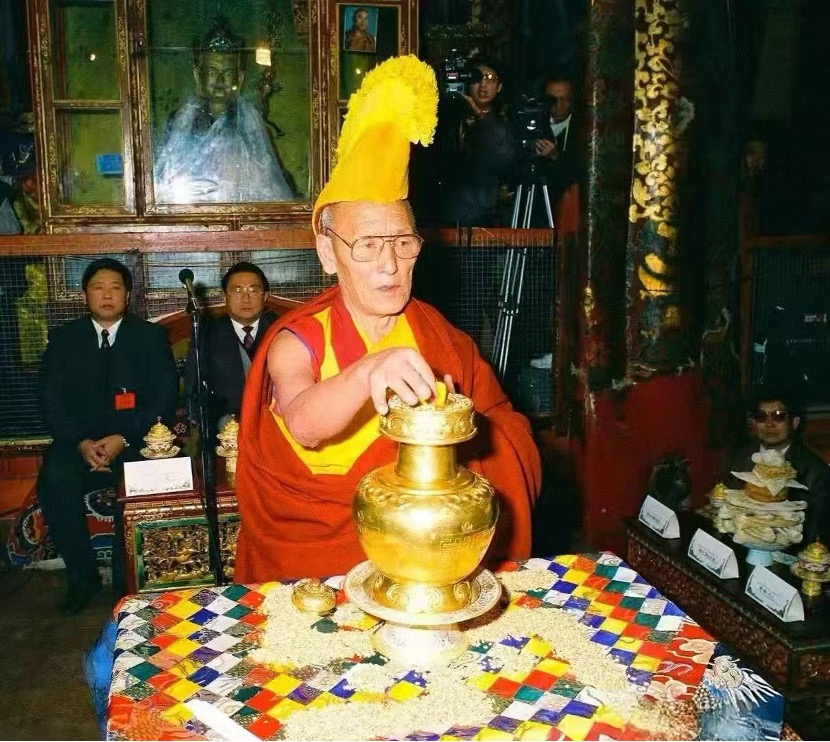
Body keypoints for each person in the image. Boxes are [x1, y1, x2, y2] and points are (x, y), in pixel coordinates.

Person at [234, 55, 541, 583]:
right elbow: (304, 424)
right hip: (310, 561)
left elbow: (496, 421)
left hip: (419, 551)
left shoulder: (437, 334)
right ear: (328, 253)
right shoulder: (299, 339)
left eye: (403, 243)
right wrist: (368, 371)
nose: (390, 264)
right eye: (369, 245)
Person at [37, 258, 178, 614]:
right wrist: (82, 442)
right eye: (98, 287)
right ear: (85, 294)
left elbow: (163, 400)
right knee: (55, 479)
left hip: (133, 440)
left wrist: (123, 439)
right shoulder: (64, 339)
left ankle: (126, 581)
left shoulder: (149, 337)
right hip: (77, 443)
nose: (107, 295)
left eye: (115, 287)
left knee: (143, 483)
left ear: (127, 294)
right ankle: (82, 580)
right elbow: (51, 401)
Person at [153, 16, 295, 204]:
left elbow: (267, 186)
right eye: (212, 72)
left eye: (228, 74)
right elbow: (165, 176)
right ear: (198, 75)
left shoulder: (249, 124)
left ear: (240, 78)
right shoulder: (181, 122)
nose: (220, 81)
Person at [720, 388, 830, 544]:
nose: (769, 424)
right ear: (754, 423)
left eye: (779, 416)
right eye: (761, 416)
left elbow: (815, 532)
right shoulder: (735, 458)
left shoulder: (816, 471)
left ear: (795, 422)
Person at [186, 261, 277, 434]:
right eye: (237, 290)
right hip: (226, 428)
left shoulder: (281, 330)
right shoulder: (207, 333)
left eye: (253, 290)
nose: (246, 298)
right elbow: (194, 390)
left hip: (275, 423)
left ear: (265, 296)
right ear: (224, 296)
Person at [437, 57, 518, 226]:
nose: (483, 85)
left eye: (490, 79)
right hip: (450, 212)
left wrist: (479, 114)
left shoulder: (504, 123)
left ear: (499, 87)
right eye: (476, 79)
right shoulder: (451, 118)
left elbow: (503, 158)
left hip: (486, 214)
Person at [533, 74, 582, 214]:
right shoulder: (535, 124)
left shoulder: (583, 129)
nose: (559, 106)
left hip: (564, 209)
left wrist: (555, 156)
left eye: (565, 99)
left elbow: (580, 172)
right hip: (536, 204)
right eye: (552, 100)